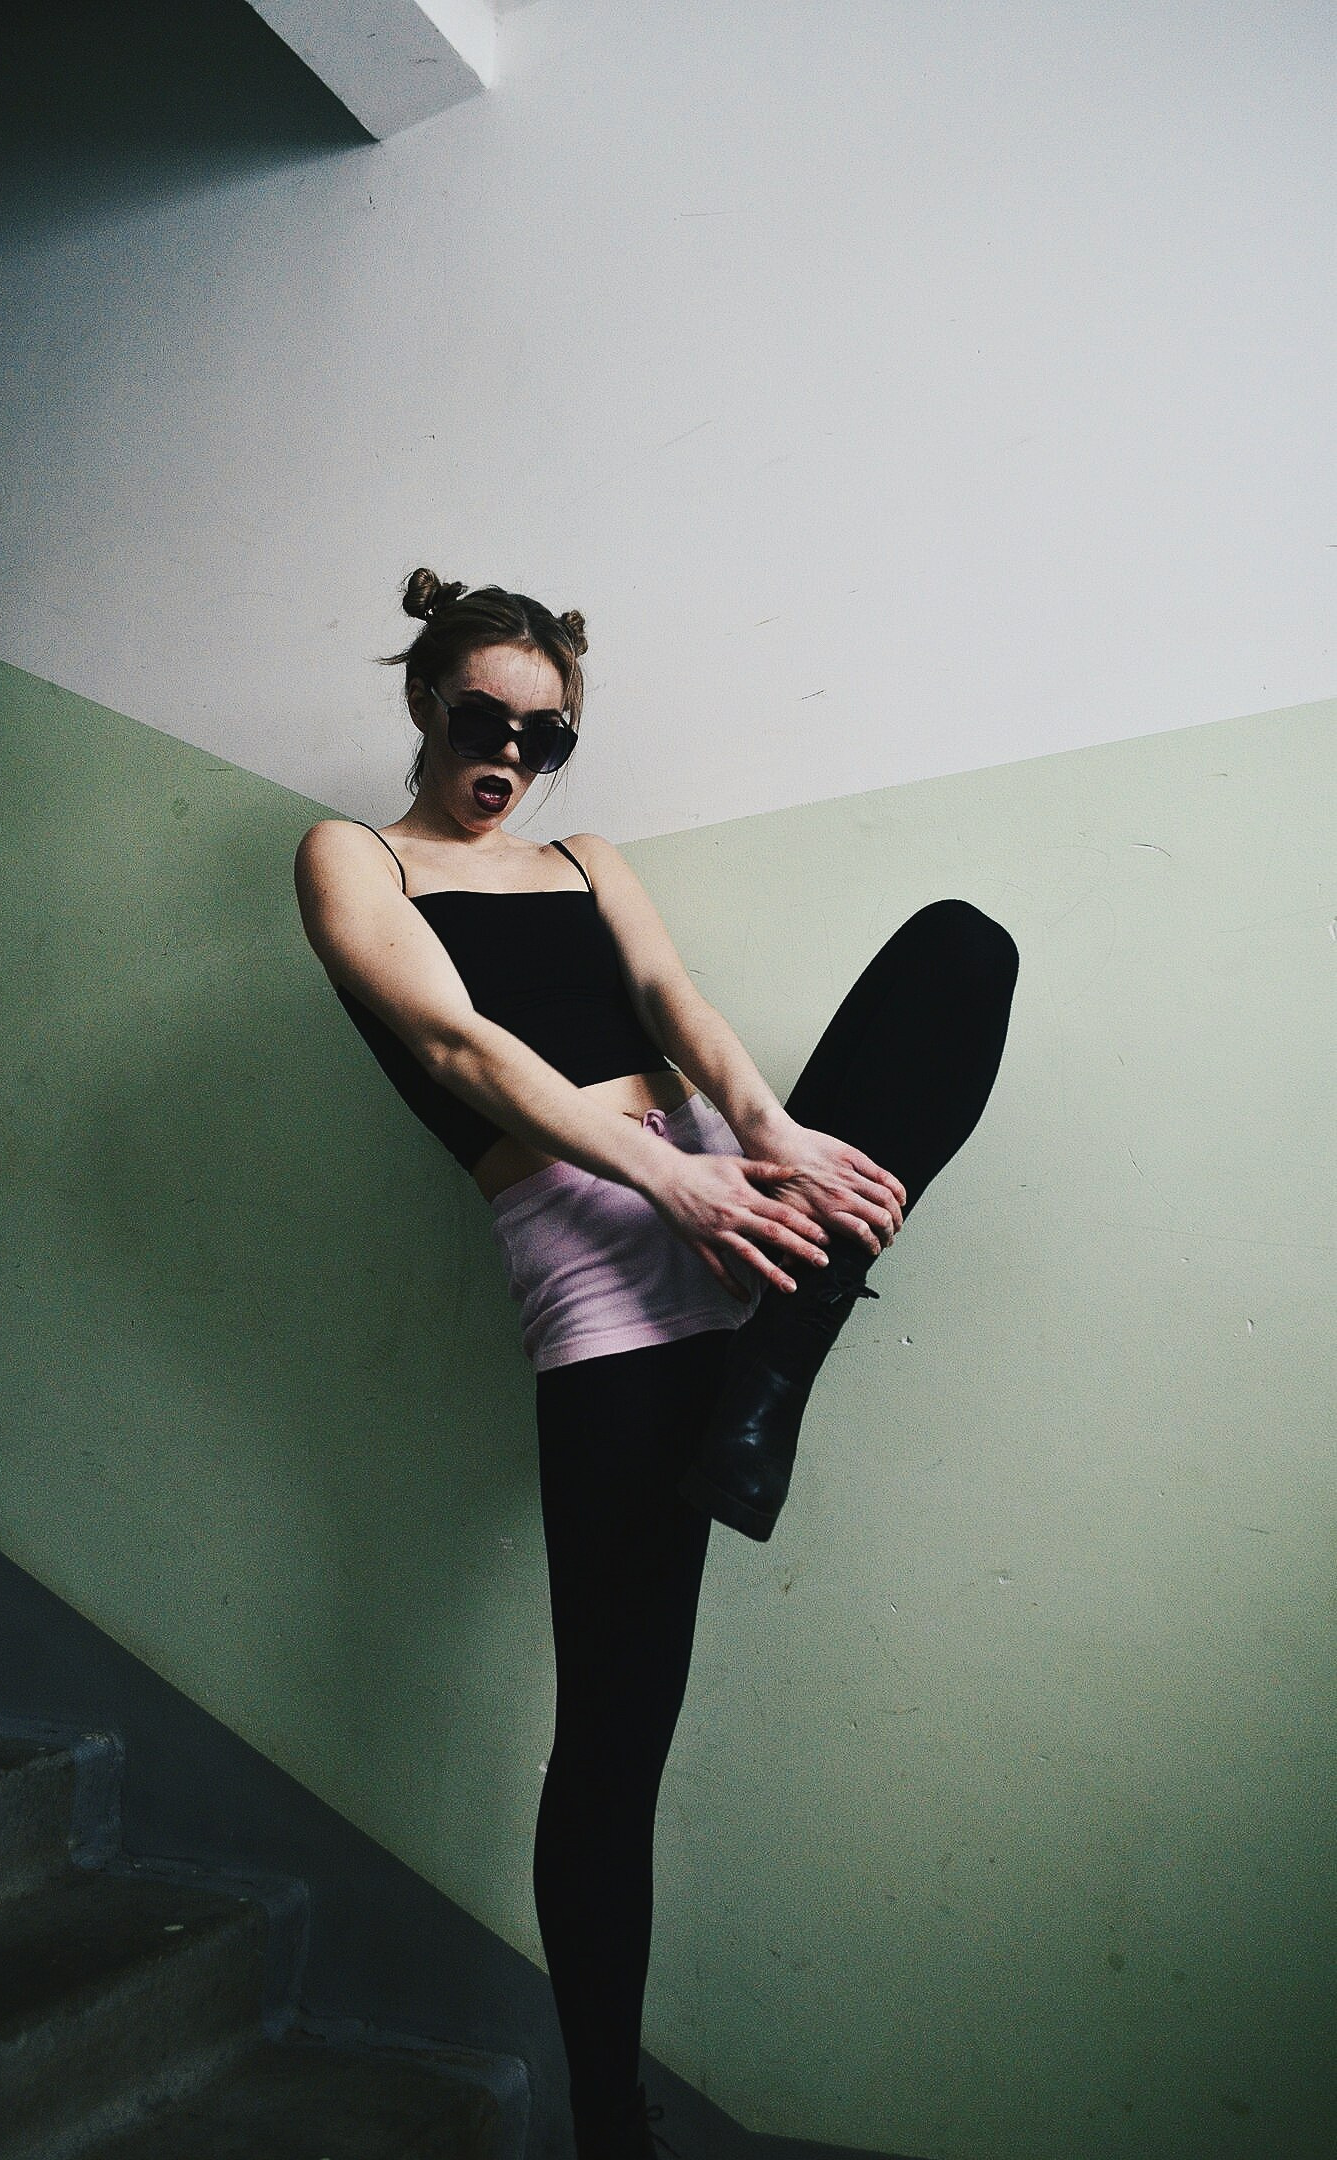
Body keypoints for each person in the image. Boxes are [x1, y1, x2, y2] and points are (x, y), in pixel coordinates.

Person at [293, 568, 1019, 2160]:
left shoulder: (586, 860)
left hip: (737, 1216)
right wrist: (667, 1184)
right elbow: (458, 1046)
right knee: (616, 1751)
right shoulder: (352, 858)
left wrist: (763, 1134)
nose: (509, 756)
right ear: (423, 701)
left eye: (544, 736)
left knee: (962, 953)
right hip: (604, 1285)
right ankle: (611, 2123)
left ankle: (769, 1381)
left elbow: (674, 1002)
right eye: (483, 721)